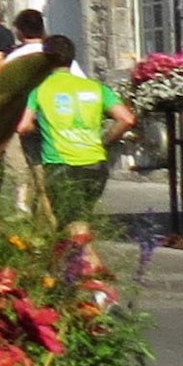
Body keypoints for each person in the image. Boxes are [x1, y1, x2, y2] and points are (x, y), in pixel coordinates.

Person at [21, 38, 132, 231]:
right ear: (72, 59)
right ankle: (75, 260)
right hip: (95, 165)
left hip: (61, 165)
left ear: (45, 60)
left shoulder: (40, 90)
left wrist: (42, 128)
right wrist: (105, 140)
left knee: (76, 231)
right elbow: (126, 119)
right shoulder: (97, 88)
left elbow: (23, 126)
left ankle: (91, 261)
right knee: (72, 225)